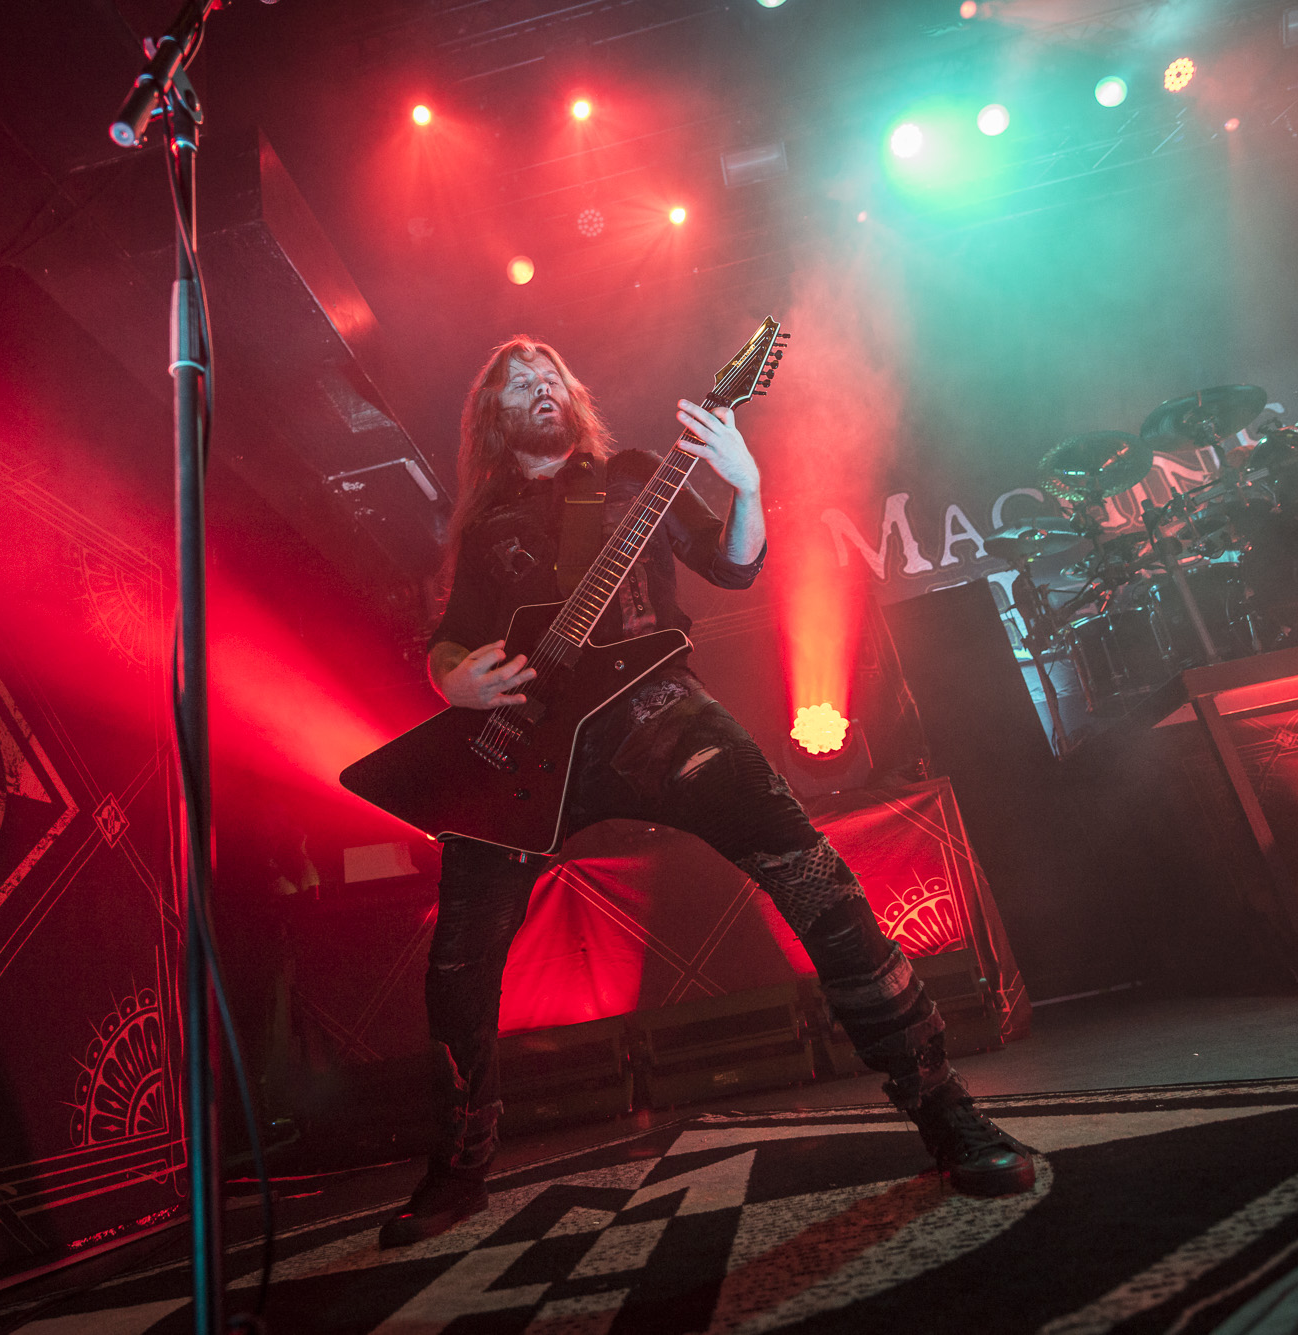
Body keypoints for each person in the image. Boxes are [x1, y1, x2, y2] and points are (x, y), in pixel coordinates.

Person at [379, 336, 1035, 1249]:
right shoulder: (486, 522)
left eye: (550, 374)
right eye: (517, 382)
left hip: (655, 711)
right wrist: (452, 678)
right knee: (458, 958)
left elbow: (733, 566)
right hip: (527, 745)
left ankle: (945, 1112)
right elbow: (451, 636)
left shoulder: (636, 475)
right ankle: (458, 1166)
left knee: (815, 879)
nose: (539, 386)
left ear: (573, 394)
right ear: (493, 415)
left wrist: (747, 486)